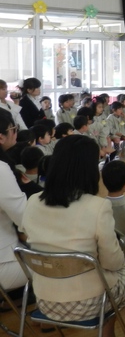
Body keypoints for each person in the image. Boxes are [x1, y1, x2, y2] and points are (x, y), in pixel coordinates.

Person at [20, 135, 125, 337]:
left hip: (44, 301)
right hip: (88, 303)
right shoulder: (97, 207)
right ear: (89, 169)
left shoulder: (33, 201)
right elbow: (113, 263)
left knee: (111, 284)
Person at [0, 109, 28, 295]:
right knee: (64, 263)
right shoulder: (1, 169)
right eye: (13, 128)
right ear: (1, 137)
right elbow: (23, 216)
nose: (16, 132)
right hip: (4, 263)